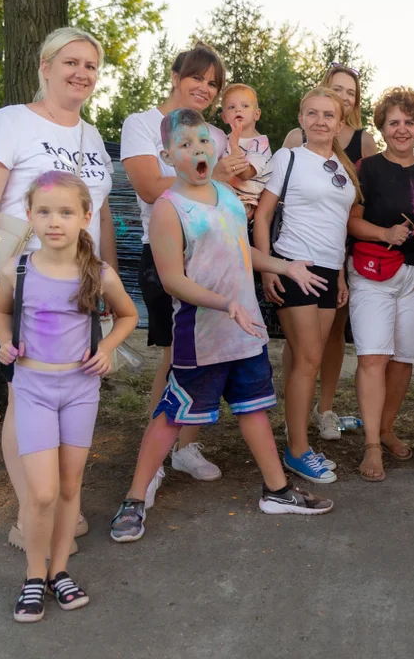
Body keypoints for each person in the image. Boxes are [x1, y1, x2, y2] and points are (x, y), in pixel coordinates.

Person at [110, 109, 333, 543]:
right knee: (172, 415)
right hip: (201, 336)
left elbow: (243, 252)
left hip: (244, 329)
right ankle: (135, 498)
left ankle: (277, 491)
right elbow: (173, 281)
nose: (197, 150)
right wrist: (224, 303)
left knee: (253, 409)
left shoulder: (228, 195)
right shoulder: (168, 208)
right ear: (167, 156)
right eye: (185, 144)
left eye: (203, 141)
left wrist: (285, 267)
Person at [0, 27, 117, 556]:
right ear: (45, 67)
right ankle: (32, 515)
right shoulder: (11, 121)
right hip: (21, 278)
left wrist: (106, 273)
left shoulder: (93, 136)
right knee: (24, 390)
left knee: (71, 383)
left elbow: (101, 212)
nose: (81, 73)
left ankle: (55, 505)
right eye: (71, 62)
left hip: (78, 282)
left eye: (91, 66)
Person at [0, 171, 138, 622]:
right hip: (32, 390)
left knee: (71, 487)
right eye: (44, 211)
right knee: (42, 493)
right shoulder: (16, 270)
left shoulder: (99, 273)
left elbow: (128, 315)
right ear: (29, 215)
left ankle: (59, 572)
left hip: (80, 391)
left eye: (66, 212)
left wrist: (106, 349)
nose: (55, 221)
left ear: (85, 217)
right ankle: (33, 576)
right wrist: (4, 341)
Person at [122, 42, 235, 503]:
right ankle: (150, 465)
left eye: (213, 83)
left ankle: (185, 448)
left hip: (214, 254)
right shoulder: (142, 124)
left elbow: (227, 195)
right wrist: (217, 177)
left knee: (206, 356)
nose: (204, 88)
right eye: (197, 78)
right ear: (175, 76)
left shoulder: (217, 136)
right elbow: (151, 187)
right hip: (167, 255)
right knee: (175, 357)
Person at [254, 87, 363, 484]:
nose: (320, 121)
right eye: (312, 113)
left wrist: (340, 274)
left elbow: (339, 226)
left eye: (328, 115)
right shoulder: (289, 157)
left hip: (329, 272)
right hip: (294, 266)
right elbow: (263, 216)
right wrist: (269, 268)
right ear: (301, 119)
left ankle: (297, 440)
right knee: (308, 359)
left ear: (340, 123)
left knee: (310, 361)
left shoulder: (343, 166)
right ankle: (297, 450)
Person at [346, 87, 414, 481]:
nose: (402, 129)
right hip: (373, 274)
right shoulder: (366, 168)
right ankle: (371, 445)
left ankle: (386, 429)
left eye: (409, 122)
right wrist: (385, 233)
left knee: (403, 360)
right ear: (382, 127)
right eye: (394, 122)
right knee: (373, 357)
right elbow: (351, 221)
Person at [283, 63, 377, 440]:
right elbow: (282, 192)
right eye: (337, 89)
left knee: (334, 330)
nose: (343, 97)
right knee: (299, 338)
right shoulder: (298, 137)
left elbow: (363, 201)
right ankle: (294, 413)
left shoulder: (363, 142)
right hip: (299, 247)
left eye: (350, 93)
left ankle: (325, 409)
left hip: (343, 245)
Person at [219, 83, 273, 214]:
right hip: (223, 193)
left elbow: (246, 174)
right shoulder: (224, 139)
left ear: (256, 114)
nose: (238, 110)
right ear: (224, 117)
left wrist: (234, 146)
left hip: (246, 200)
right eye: (232, 107)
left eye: (245, 106)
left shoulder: (260, 143)